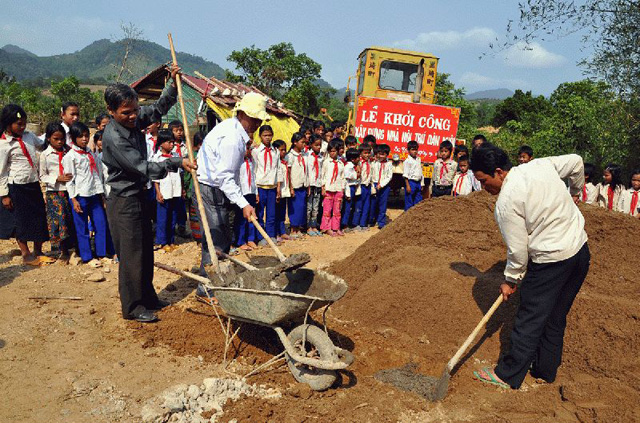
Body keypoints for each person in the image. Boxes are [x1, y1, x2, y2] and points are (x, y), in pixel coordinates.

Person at [470, 144, 590, 390]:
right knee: (556, 315)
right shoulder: (540, 165)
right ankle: (545, 370)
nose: (483, 188)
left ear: (499, 171)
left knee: (529, 318)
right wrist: (575, 191)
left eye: (484, 181)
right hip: (579, 252)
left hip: (551, 260)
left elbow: (518, 250)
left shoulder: (505, 203)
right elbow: (577, 161)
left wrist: (510, 280)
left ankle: (507, 374)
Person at [102, 65, 195, 323]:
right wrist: (177, 162)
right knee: (132, 254)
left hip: (139, 197)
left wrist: (173, 85)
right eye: (126, 113)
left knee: (145, 250)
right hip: (124, 201)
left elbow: (156, 109)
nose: (133, 116)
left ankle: (148, 296)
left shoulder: (133, 119)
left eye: (134, 110)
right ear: (111, 112)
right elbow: (143, 167)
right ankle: (132, 307)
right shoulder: (114, 137)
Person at [196, 91, 264, 277]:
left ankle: (218, 279)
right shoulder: (232, 139)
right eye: (254, 118)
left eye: (259, 120)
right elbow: (224, 177)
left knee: (224, 235)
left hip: (219, 188)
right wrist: (243, 203)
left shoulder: (235, 130)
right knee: (216, 238)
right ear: (241, 114)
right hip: (210, 188)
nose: (257, 124)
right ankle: (208, 289)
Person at [0, 105, 53, 266]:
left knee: (39, 217)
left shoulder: (29, 137)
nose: (23, 127)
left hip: (33, 183)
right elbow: (1, 172)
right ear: (8, 124)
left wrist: (55, 132)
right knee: (20, 221)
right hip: (17, 186)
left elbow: (42, 143)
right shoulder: (3, 145)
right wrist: (4, 195)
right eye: (19, 124)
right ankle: (26, 254)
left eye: (24, 123)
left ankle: (38, 250)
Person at [63, 122, 113, 266]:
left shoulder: (90, 153)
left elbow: (97, 174)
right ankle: (87, 257)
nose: (84, 139)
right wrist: (73, 199)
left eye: (86, 136)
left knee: (100, 224)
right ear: (73, 138)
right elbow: (69, 181)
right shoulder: (70, 157)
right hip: (80, 196)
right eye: (80, 137)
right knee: (82, 228)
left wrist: (101, 194)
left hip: (95, 194)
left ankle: (101, 253)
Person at [39, 123, 75, 261]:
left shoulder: (69, 152)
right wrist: (57, 178)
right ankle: (62, 249)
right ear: (48, 138)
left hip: (69, 191)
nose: (60, 142)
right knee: (59, 220)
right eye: (56, 139)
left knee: (70, 217)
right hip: (54, 192)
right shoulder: (45, 155)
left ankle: (73, 245)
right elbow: (42, 176)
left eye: (62, 139)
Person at [152, 129, 182, 252]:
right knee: (163, 217)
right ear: (161, 143)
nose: (171, 145)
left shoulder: (176, 156)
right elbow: (155, 178)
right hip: (164, 191)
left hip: (175, 190)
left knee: (173, 216)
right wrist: (158, 192)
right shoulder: (157, 158)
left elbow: (180, 174)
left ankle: (171, 240)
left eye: (173, 142)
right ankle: (162, 241)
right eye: (169, 142)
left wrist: (182, 189)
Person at [252, 125, 279, 246]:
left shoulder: (276, 151)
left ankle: (271, 235)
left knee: (271, 213)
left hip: (272, 186)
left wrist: (278, 187)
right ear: (260, 137)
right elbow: (254, 170)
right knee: (260, 213)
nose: (267, 138)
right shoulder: (256, 151)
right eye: (265, 135)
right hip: (260, 186)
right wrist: (255, 191)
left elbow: (278, 170)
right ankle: (261, 236)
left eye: (269, 135)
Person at [234, 139, 258, 251]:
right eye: (247, 149)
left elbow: (254, 177)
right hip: (241, 193)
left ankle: (251, 238)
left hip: (251, 192)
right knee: (241, 218)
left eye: (250, 149)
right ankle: (241, 240)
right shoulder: (237, 163)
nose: (249, 151)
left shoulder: (251, 161)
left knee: (252, 217)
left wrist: (256, 192)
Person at [168, 120, 189, 237]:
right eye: (176, 131)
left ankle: (182, 226)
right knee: (174, 204)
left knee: (182, 204)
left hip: (184, 177)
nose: (179, 133)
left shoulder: (185, 146)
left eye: (181, 130)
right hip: (173, 177)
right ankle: (173, 227)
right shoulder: (170, 147)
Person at [321, 139, 345, 236]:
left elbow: (342, 177)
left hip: (338, 188)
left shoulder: (341, 163)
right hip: (329, 189)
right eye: (330, 151)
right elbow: (323, 175)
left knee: (337, 210)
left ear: (338, 151)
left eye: (334, 151)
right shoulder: (326, 162)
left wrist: (342, 189)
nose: (332, 153)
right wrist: (323, 187)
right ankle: (327, 228)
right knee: (327, 210)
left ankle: (336, 227)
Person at [286, 132, 308, 238]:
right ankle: (293, 228)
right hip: (294, 185)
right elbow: (288, 172)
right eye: (302, 142)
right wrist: (290, 187)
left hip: (302, 184)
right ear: (295, 143)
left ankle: (298, 227)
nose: (304, 144)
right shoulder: (290, 156)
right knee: (294, 207)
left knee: (302, 207)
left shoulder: (304, 155)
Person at [184, 131, 205, 244]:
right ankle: (198, 237)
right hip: (194, 186)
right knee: (195, 213)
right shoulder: (192, 156)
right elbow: (187, 175)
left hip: (204, 187)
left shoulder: (207, 155)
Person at [306, 135, 324, 236]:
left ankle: (314, 226)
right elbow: (307, 171)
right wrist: (307, 184)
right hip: (310, 184)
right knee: (309, 207)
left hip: (317, 184)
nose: (318, 147)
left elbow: (321, 171)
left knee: (315, 207)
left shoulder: (321, 157)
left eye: (319, 145)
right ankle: (308, 226)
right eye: (316, 145)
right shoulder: (307, 156)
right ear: (311, 144)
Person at [341, 148, 362, 231]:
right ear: (353, 159)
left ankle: (348, 223)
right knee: (347, 207)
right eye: (358, 158)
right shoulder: (348, 167)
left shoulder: (354, 166)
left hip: (353, 187)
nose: (359, 159)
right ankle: (344, 224)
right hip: (349, 188)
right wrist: (348, 194)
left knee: (350, 207)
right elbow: (346, 180)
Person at [274, 139, 290, 242]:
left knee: (282, 212)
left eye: (284, 150)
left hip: (285, 190)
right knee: (276, 212)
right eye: (281, 150)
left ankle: (282, 231)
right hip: (277, 190)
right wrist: (278, 189)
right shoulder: (275, 162)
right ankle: (276, 232)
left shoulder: (285, 162)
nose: (283, 152)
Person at [374, 144, 393, 229]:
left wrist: (381, 185)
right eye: (379, 154)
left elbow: (389, 176)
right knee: (373, 203)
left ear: (387, 155)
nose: (381, 156)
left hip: (384, 186)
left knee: (383, 204)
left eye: (383, 154)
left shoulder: (389, 164)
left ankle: (381, 222)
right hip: (374, 184)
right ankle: (372, 220)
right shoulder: (374, 163)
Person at [403, 140, 424, 210]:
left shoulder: (418, 159)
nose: (415, 151)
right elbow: (405, 175)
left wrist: (422, 183)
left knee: (418, 201)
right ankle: (408, 218)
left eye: (416, 149)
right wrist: (408, 186)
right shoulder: (407, 161)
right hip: (411, 182)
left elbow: (421, 172)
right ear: (408, 150)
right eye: (412, 150)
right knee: (409, 201)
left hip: (418, 182)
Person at [356, 142, 373, 231]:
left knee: (367, 205)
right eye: (365, 153)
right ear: (360, 153)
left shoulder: (370, 162)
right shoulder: (359, 163)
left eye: (368, 153)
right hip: (361, 186)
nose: (367, 155)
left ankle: (363, 223)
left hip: (368, 186)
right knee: (359, 205)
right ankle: (356, 223)